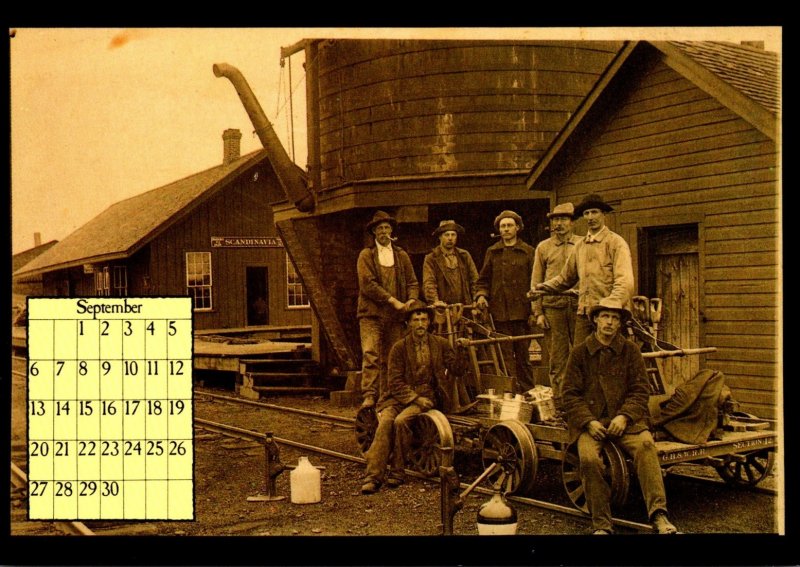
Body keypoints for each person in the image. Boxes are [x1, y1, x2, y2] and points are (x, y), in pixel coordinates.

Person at [561, 297, 678, 535]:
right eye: (605, 316)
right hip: (591, 425)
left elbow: (640, 390)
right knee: (589, 460)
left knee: (646, 446)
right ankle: (602, 525)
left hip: (626, 423)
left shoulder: (630, 351)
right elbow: (570, 395)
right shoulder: (580, 353)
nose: (610, 323)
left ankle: (659, 515)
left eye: (615, 318)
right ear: (595, 319)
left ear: (620, 324)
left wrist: (625, 416)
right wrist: (589, 422)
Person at [361, 301, 458, 494]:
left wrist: (460, 349)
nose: (420, 324)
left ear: (429, 322)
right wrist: (414, 398)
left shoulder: (440, 344)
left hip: (428, 396)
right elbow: (394, 382)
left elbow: (457, 369)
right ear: (409, 324)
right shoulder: (399, 348)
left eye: (424, 319)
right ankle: (373, 476)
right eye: (416, 320)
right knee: (386, 421)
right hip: (399, 397)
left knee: (401, 421)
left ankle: (397, 472)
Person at [533, 193, 634, 349]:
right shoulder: (581, 246)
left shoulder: (616, 243)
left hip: (609, 316)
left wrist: (610, 307)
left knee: (609, 360)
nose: (590, 217)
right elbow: (565, 278)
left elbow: (625, 282)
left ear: (603, 214)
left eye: (594, 212)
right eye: (586, 213)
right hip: (584, 314)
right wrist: (543, 287)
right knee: (580, 359)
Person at [357, 210, 419, 409]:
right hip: (371, 314)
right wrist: (393, 300)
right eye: (379, 228)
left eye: (387, 227)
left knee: (394, 356)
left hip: (395, 316)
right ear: (374, 232)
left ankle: (390, 394)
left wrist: (411, 300)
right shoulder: (366, 255)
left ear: (391, 230)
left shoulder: (401, 256)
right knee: (371, 354)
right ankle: (369, 394)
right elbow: (368, 285)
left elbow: (413, 283)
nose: (384, 231)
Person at [475, 210, 536, 393]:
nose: (506, 229)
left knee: (524, 356)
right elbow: (483, 279)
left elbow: (536, 281)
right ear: (499, 230)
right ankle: (510, 393)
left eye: (510, 225)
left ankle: (527, 392)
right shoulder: (493, 252)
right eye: (503, 226)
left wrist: (534, 310)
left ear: (517, 228)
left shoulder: (528, 252)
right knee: (505, 356)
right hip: (501, 312)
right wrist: (481, 295)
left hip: (522, 313)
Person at [530, 202, 581, 409]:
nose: (559, 224)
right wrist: (538, 312)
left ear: (572, 222)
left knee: (581, 355)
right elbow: (536, 282)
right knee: (558, 359)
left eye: (563, 219)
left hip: (580, 307)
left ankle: (581, 401)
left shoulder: (582, 244)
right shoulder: (544, 247)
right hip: (553, 309)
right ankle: (561, 405)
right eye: (555, 220)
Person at [422, 220, 480, 308]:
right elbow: (429, 283)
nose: (450, 238)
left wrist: (476, 299)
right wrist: (435, 301)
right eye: (446, 235)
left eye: (453, 235)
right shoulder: (431, 258)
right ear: (440, 237)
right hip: (443, 308)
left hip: (465, 306)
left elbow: (474, 279)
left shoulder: (464, 255)